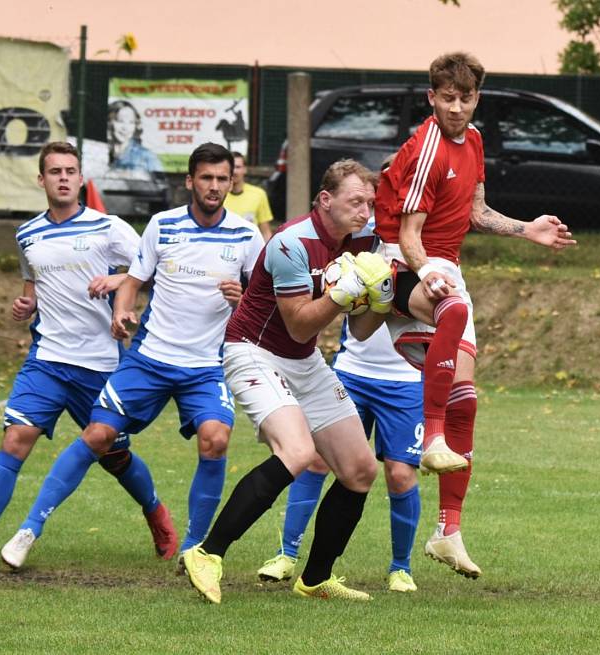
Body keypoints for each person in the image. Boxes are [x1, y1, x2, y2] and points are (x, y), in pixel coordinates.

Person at [359, 51, 576, 578]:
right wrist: (428, 274)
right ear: (431, 97)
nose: (456, 108)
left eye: (466, 98)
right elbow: (409, 236)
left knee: (467, 400)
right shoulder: (427, 148)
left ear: (476, 99)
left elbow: (475, 213)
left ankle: (448, 532)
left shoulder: (473, 141)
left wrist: (528, 228)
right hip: (399, 260)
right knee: (451, 305)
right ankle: (430, 433)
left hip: (446, 263)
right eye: (446, 98)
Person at [0, 142, 264, 569]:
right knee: (99, 436)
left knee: (215, 439)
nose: (215, 187)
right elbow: (133, 280)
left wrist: (243, 299)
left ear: (232, 182)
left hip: (205, 367)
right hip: (150, 359)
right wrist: (123, 311)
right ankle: (30, 528)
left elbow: (262, 302)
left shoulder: (247, 235)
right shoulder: (162, 225)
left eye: (222, 179)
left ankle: (194, 550)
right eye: (206, 178)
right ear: (190, 181)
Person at [0, 141, 177, 564]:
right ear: (42, 180)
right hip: (48, 360)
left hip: (102, 363)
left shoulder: (107, 227)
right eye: (56, 171)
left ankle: (156, 513)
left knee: (114, 455)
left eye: (71, 170)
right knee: (16, 439)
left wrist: (119, 281)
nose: (64, 178)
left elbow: (157, 268)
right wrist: (26, 304)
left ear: (81, 178)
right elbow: (32, 285)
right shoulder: (28, 234)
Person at [181, 159, 395, 604]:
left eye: (369, 203)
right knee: (297, 452)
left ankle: (315, 579)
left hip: (304, 360)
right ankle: (206, 552)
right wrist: (342, 292)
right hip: (253, 352)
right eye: (355, 201)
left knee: (360, 470)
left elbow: (360, 331)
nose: (364, 211)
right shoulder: (290, 243)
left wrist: (381, 299)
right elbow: (298, 325)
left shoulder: (362, 240)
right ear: (325, 199)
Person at [256, 317, 424, 593]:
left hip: (406, 380)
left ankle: (401, 569)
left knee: (400, 474)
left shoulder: (430, 273)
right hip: (351, 373)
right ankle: (286, 554)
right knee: (317, 459)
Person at [223, 151, 275, 241]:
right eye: (230, 167)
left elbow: (265, 232)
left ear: (245, 169)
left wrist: (271, 252)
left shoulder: (259, 194)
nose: (234, 171)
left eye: (238, 167)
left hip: (250, 250)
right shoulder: (218, 195)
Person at [107, 100, 163, 175]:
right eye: (120, 121)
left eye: (131, 122)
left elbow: (161, 184)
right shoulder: (99, 152)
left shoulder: (147, 157)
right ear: (109, 122)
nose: (125, 128)